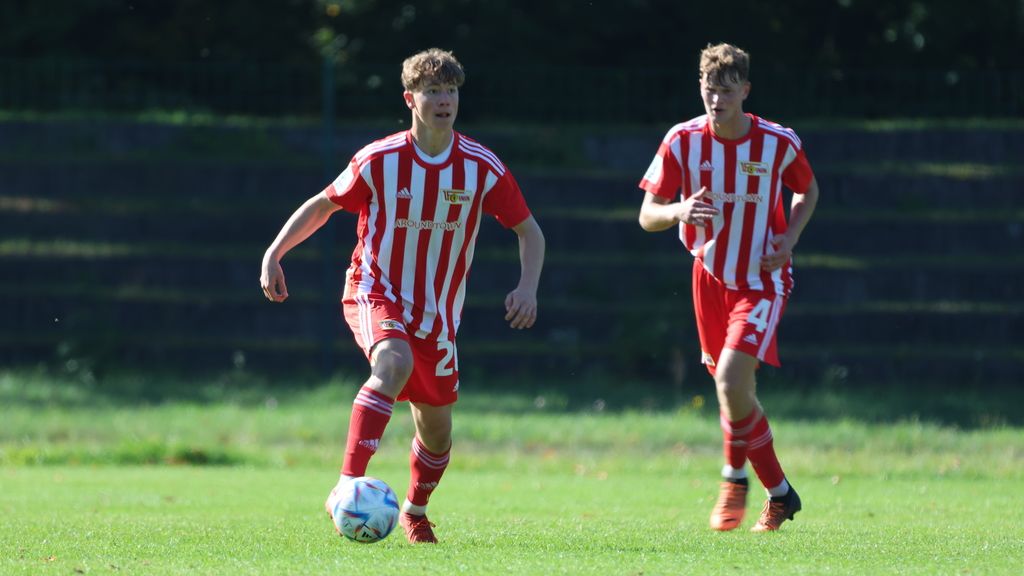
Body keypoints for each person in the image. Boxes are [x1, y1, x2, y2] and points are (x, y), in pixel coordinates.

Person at [260, 48, 545, 544]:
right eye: (433, 90)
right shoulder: (380, 159)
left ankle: (414, 509)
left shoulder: (481, 166)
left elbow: (530, 232)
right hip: (376, 289)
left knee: (437, 433)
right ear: (410, 99)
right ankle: (347, 485)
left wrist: (527, 286)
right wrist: (275, 252)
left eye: (451, 90)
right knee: (391, 364)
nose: (444, 100)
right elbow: (324, 205)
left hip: (437, 315)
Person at [637, 43, 819, 532]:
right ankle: (780, 493)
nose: (716, 100)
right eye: (709, 89)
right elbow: (647, 215)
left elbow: (807, 189)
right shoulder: (682, 141)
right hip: (709, 278)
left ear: (745, 90)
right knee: (733, 393)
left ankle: (735, 479)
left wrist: (789, 237)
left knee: (731, 382)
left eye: (726, 90)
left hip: (762, 279)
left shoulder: (777, 142)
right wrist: (678, 210)